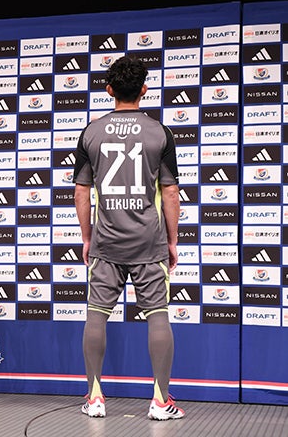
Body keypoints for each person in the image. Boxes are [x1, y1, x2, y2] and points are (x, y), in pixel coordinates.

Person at [73, 56, 184, 420]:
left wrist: (87, 238)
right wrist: (172, 241)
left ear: (109, 90)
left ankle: (94, 398)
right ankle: (161, 402)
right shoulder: (160, 132)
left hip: (106, 241)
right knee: (158, 316)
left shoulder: (91, 132)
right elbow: (170, 192)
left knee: (96, 315)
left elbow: (81, 191)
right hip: (149, 241)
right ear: (144, 89)